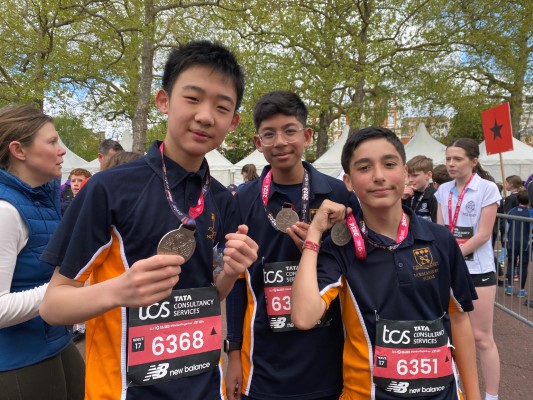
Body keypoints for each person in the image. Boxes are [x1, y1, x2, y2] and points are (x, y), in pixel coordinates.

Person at [39, 40, 258, 400]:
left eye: (221, 107)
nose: (206, 116)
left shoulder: (220, 197)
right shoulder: (110, 188)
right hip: (124, 390)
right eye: (192, 98)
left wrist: (231, 273)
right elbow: (53, 306)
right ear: (163, 100)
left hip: (204, 387)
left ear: (232, 121)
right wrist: (119, 291)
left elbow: (207, 296)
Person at [291, 126, 480, 400]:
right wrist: (315, 235)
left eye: (389, 164)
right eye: (364, 168)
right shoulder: (340, 248)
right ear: (348, 181)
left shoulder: (439, 239)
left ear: (404, 173)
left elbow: (460, 319)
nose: (379, 176)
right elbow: (303, 317)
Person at [225, 91, 357, 400]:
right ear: (258, 143)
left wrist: (316, 251)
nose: (280, 141)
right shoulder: (243, 199)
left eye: (290, 130)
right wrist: (232, 353)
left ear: (307, 135)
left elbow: (351, 268)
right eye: (269, 134)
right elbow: (235, 281)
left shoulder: (336, 193)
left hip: (325, 357)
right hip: (263, 361)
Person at [0, 104, 85, 399]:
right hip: (19, 360)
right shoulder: (5, 211)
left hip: (55, 340)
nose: (62, 150)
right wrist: (65, 290)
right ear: (18, 150)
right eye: (51, 142)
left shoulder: (43, 197)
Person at [434, 137, 501, 400]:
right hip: (450, 270)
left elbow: (483, 235)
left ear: (473, 161)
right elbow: (440, 231)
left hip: (478, 272)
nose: (451, 164)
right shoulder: (442, 190)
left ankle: (492, 396)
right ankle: (457, 387)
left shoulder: (487, 188)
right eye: (448, 158)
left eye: (457, 159)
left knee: (481, 337)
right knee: (452, 334)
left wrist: (452, 255)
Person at [504, 190, 530, 298]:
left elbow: (506, 227)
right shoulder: (530, 212)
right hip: (526, 243)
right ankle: (521, 290)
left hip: (512, 241)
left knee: (511, 262)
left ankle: (509, 287)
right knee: (523, 265)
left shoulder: (511, 211)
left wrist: (506, 239)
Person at [401, 155, 438, 222]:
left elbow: (437, 225)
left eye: (415, 175)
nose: (410, 179)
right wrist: (402, 199)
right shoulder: (407, 193)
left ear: (428, 175)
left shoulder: (434, 196)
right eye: (408, 176)